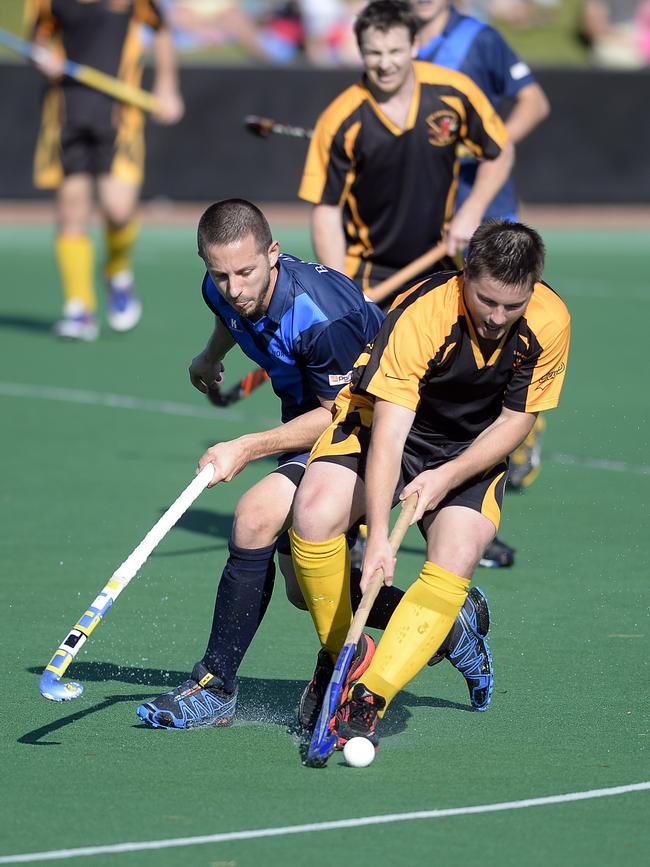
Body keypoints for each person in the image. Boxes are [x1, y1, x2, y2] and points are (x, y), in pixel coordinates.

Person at [290, 220, 570, 748]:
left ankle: (370, 695)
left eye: (513, 306)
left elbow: (515, 421)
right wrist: (376, 537)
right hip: (384, 425)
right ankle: (338, 657)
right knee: (314, 513)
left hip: (467, 446)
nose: (497, 317)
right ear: (466, 275)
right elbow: (391, 435)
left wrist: (448, 475)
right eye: (487, 300)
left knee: (460, 549)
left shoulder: (550, 320)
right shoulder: (425, 313)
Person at [135, 198, 387, 729]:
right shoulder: (222, 287)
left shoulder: (321, 317)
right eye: (220, 274)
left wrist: (248, 447)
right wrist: (211, 354)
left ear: (273, 253)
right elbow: (230, 312)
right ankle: (445, 622)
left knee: (254, 516)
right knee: (303, 591)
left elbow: (336, 415)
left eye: (246, 272)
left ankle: (216, 682)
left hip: (380, 430)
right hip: (314, 419)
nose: (234, 288)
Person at [412, 0, 551, 563]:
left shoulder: (479, 39)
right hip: (426, 217)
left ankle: (478, 513)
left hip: (485, 215)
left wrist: (489, 137)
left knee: (493, 358)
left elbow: (534, 102)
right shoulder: (391, 45)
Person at [298, 0, 514, 301]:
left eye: (395, 51)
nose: (385, 64)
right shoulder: (340, 120)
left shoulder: (454, 92)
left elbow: (500, 150)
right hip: (367, 273)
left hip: (439, 265)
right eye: (374, 53)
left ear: (414, 45)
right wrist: (342, 290)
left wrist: (472, 210)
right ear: (360, 51)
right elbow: (326, 208)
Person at [26, 0, 184, 341]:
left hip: (119, 114)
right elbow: (37, 40)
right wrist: (43, 58)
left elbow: (162, 30)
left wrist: (167, 86)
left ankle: (116, 268)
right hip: (66, 113)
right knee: (71, 209)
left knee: (119, 208)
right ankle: (80, 308)